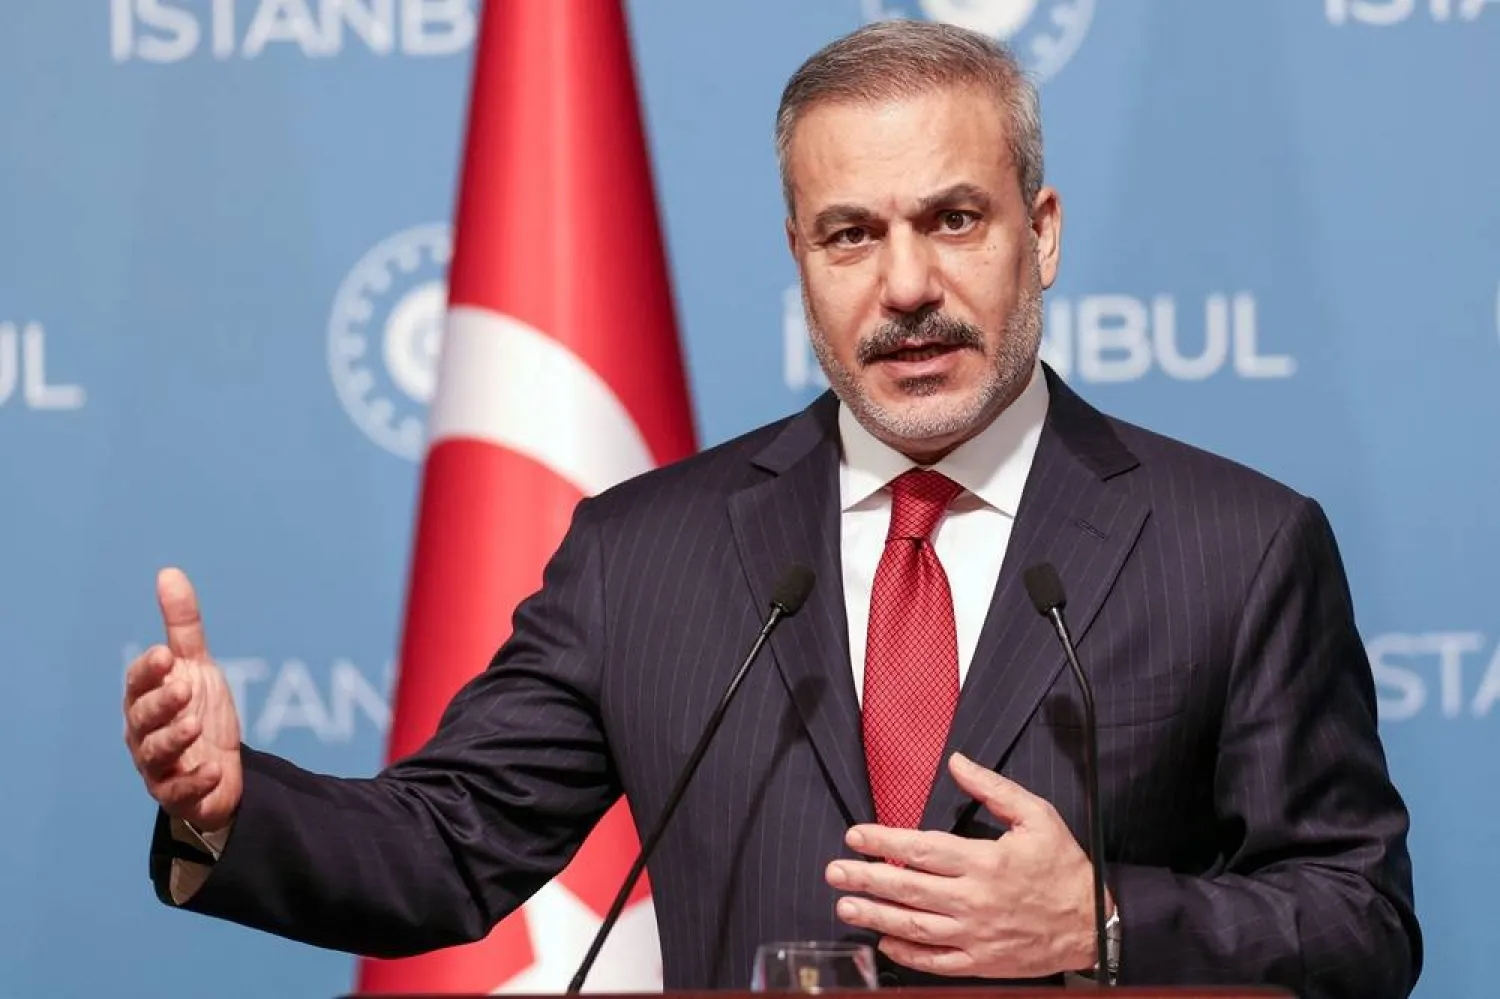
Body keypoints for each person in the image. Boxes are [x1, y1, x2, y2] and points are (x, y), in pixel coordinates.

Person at [122, 19, 1421, 997]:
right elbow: (448, 845)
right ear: (798, 257)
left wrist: (1106, 923)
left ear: (1044, 233)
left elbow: (1362, 917)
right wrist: (228, 806)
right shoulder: (647, 555)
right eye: (851, 234)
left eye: (953, 219)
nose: (906, 284)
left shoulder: (1236, 547)